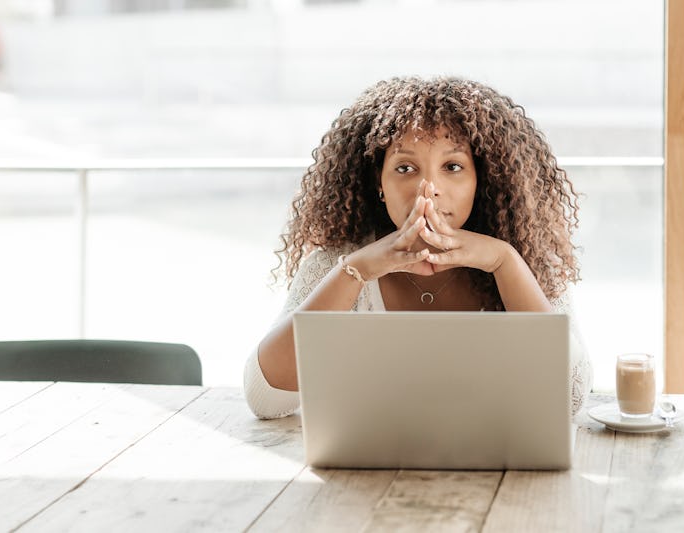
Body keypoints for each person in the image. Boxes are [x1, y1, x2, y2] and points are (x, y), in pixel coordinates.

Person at [244, 76, 592, 419]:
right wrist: (356, 271)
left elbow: (570, 398)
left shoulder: (526, 260)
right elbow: (266, 400)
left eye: (452, 167)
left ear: (481, 180)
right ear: (379, 183)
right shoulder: (338, 263)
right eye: (405, 168)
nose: (429, 188)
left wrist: (505, 262)